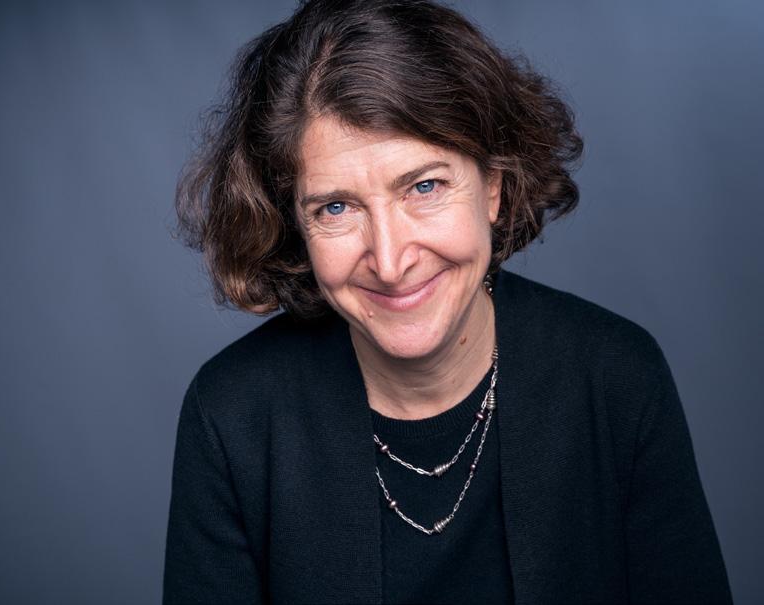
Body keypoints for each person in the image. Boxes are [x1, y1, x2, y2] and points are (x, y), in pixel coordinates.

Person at [163, 0, 733, 603]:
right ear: (297, 225)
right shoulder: (231, 416)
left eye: (424, 186)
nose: (390, 261)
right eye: (336, 207)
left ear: (493, 186)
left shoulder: (616, 377)